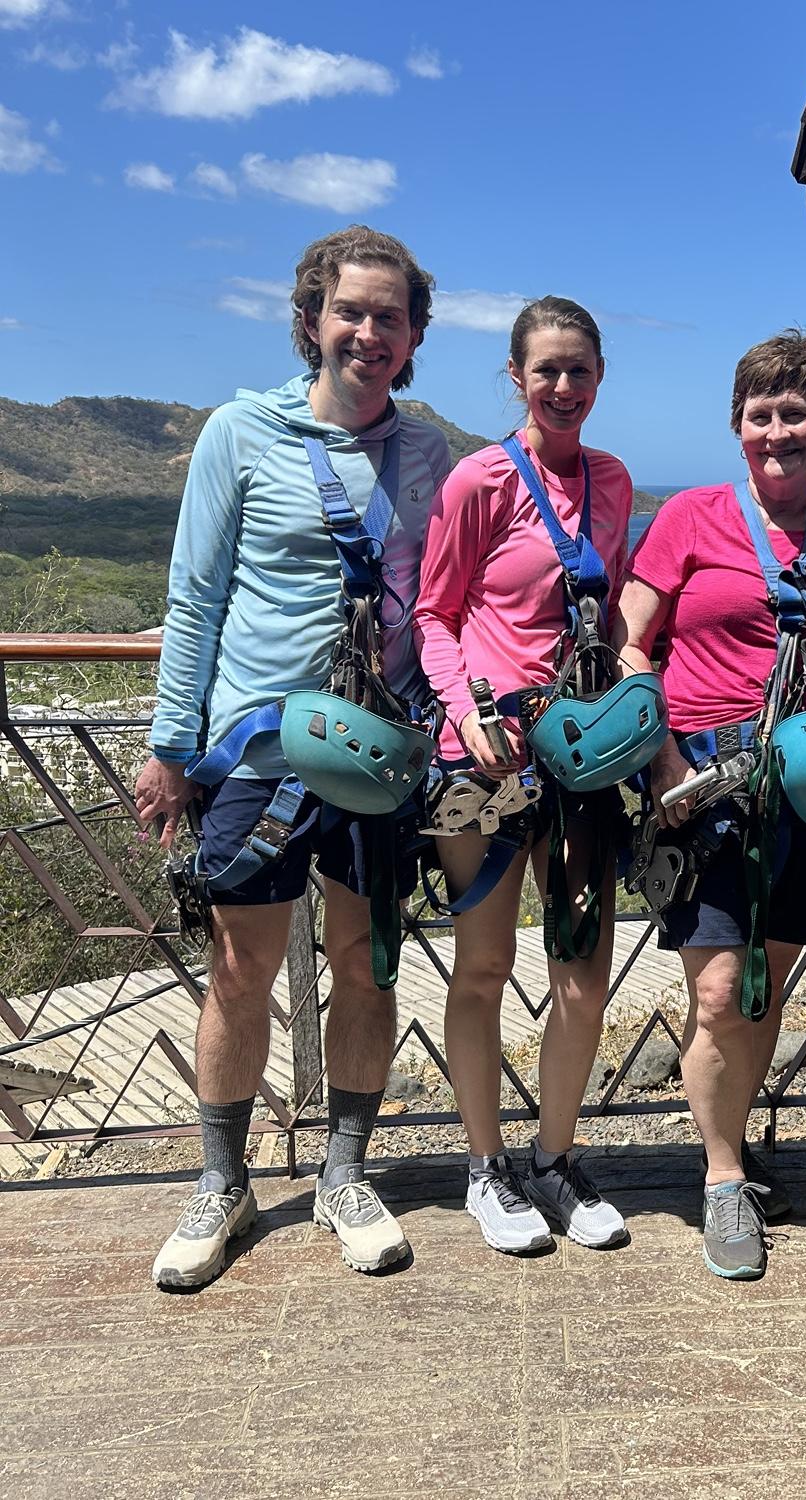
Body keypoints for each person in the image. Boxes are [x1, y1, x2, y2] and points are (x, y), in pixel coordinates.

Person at [136, 226, 451, 1288]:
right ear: (312, 316)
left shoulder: (426, 454)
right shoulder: (239, 433)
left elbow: (443, 605)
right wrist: (172, 747)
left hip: (373, 753)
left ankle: (344, 1173)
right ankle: (221, 1182)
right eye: (351, 310)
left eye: (390, 316)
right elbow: (196, 597)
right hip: (260, 747)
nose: (369, 331)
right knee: (239, 973)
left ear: (413, 336)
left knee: (367, 968)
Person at [614, 327, 806, 1280]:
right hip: (705, 784)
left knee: (767, 980)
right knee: (720, 991)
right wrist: (658, 764)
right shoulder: (690, 516)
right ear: (737, 428)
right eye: (761, 415)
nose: (779, 431)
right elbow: (632, 644)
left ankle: (730, 1140)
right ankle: (722, 1176)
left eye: (797, 413)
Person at [414, 297, 634, 1254]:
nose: (562, 386)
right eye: (546, 369)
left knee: (583, 972)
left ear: (599, 375)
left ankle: (553, 1159)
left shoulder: (614, 480)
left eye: (578, 368)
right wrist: (465, 710)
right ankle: (484, 1167)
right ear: (516, 376)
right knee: (487, 966)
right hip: (490, 756)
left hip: (582, 754)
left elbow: (614, 609)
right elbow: (434, 613)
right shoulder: (480, 480)